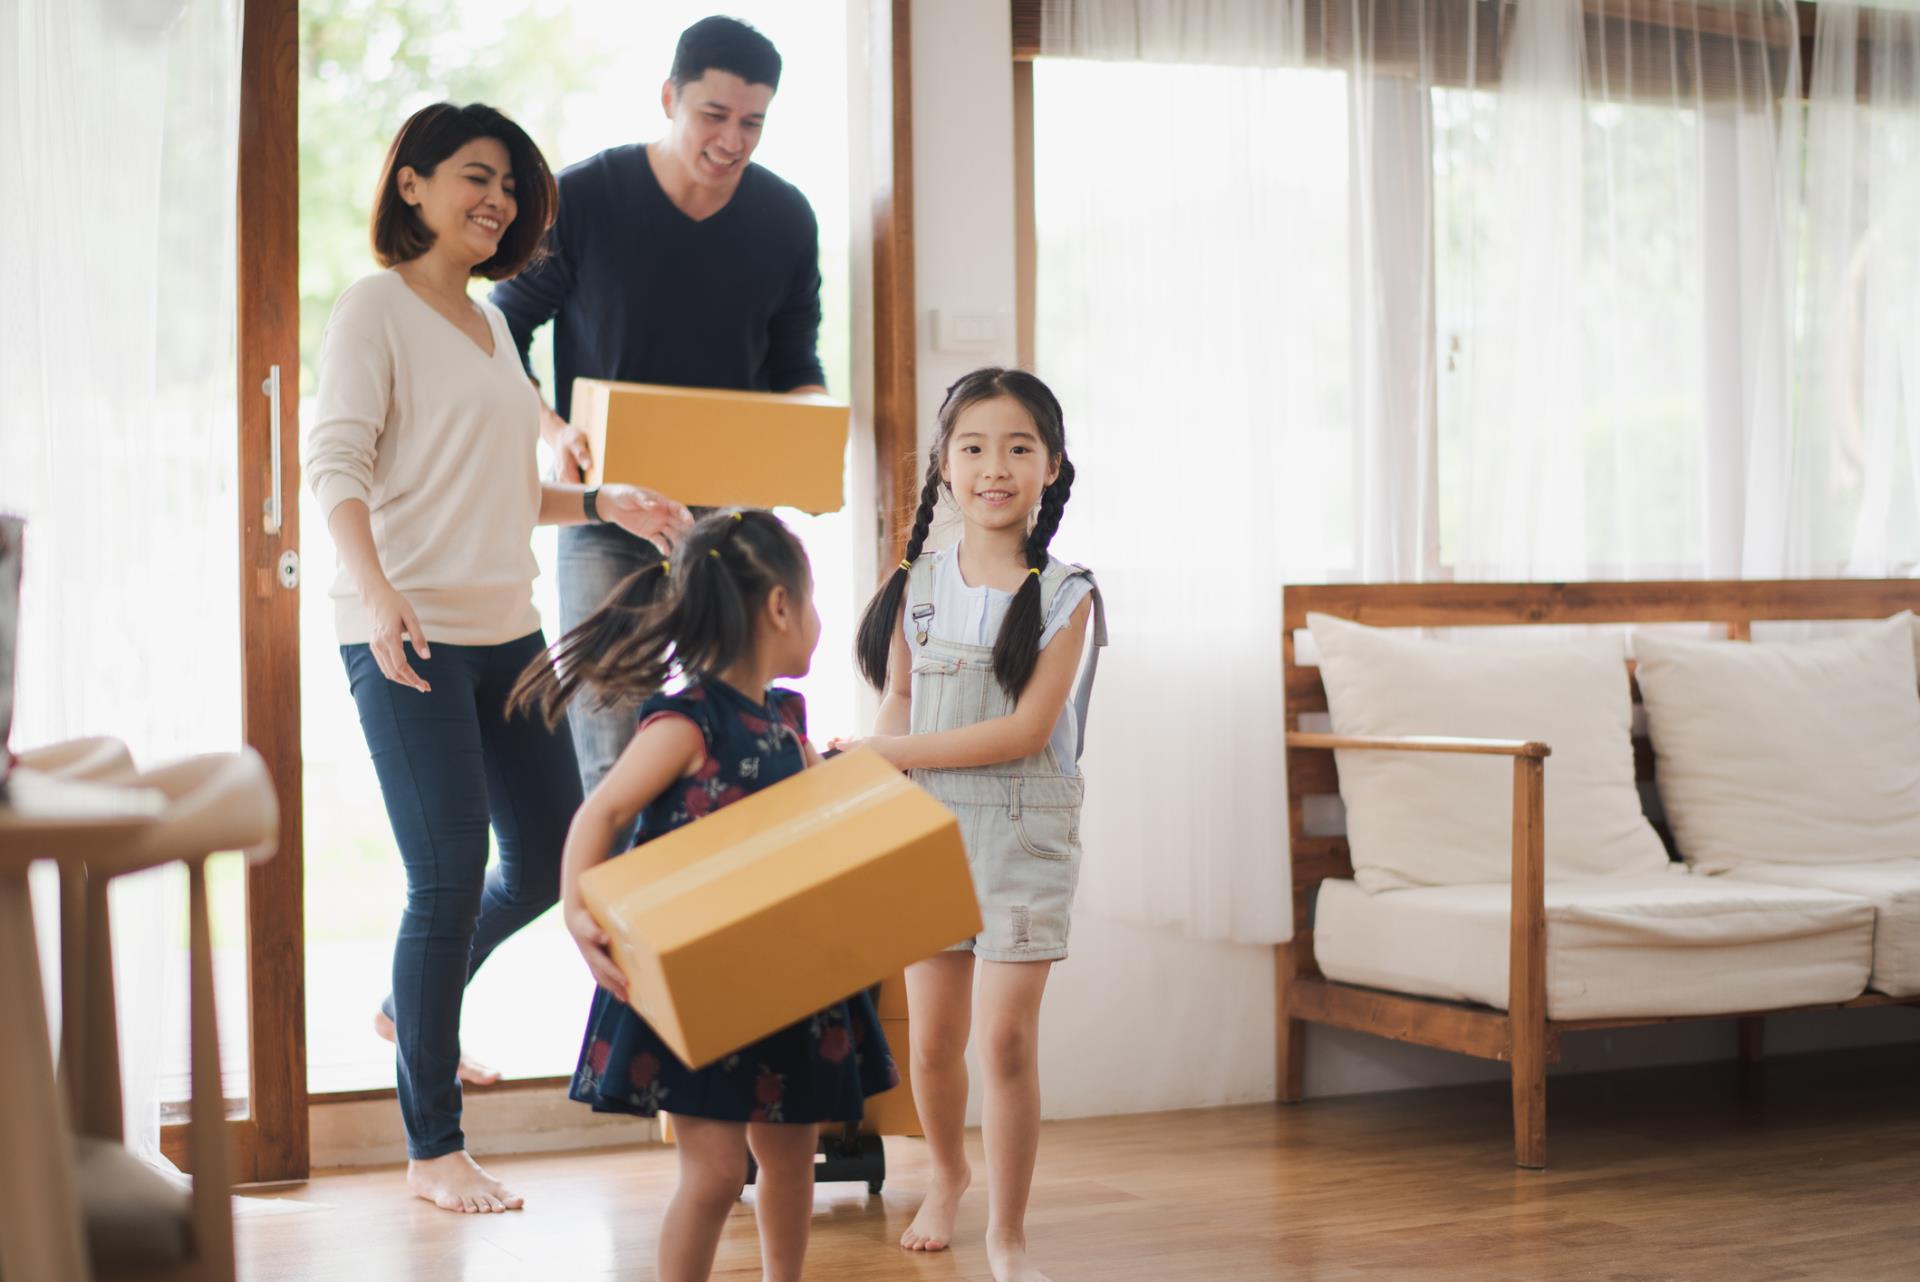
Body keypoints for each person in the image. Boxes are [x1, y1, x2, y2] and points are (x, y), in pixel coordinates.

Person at [306, 101, 692, 1214]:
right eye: (478, 176)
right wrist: (375, 594)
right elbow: (337, 465)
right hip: (410, 632)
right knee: (443, 871)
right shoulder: (373, 308)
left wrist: (598, 498)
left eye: (514, 187)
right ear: (414, 185)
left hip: (505, 631)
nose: (500, 201)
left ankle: (406, 1000)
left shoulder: (488, 327)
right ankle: (434, 1147)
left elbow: (503, 486)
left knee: (544, 853)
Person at [509, 508, 897, 1282]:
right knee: (717, 1173)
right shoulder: (687, 724)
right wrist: (577, 912)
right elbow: (604, 810)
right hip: (700, 984)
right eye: (812, 600)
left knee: (790, 1160)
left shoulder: (788, 729)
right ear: (780, 607)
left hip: (788, 984)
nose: (818, 619)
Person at [491, 15, 827, 808]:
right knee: (611, 757)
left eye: (753, 123)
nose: (732, 141)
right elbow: (502, 327)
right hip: (610, 518)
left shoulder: (786, 219)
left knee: (738, 753)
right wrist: (553, 429)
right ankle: (616, 924)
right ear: (670, 97)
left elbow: (796, 367)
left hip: (734, 529)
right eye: (713, 115)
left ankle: (716, 926)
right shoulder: (584, 198)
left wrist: (809, 439)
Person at [841, 368, 1105, 1282]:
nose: (996, 467)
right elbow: (902, 705)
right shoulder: (915, 585)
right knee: (930, 1039)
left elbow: (1027, 731)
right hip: (928, 831)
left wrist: (894, 755)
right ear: (944, 468)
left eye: (1019, 447)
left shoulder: (1070, 595)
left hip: (1024, 833)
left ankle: (1010, 1231)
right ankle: (948, 1175)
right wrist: (873, 766)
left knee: (1004, 1041)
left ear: (1052, 467)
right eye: (975, 447)